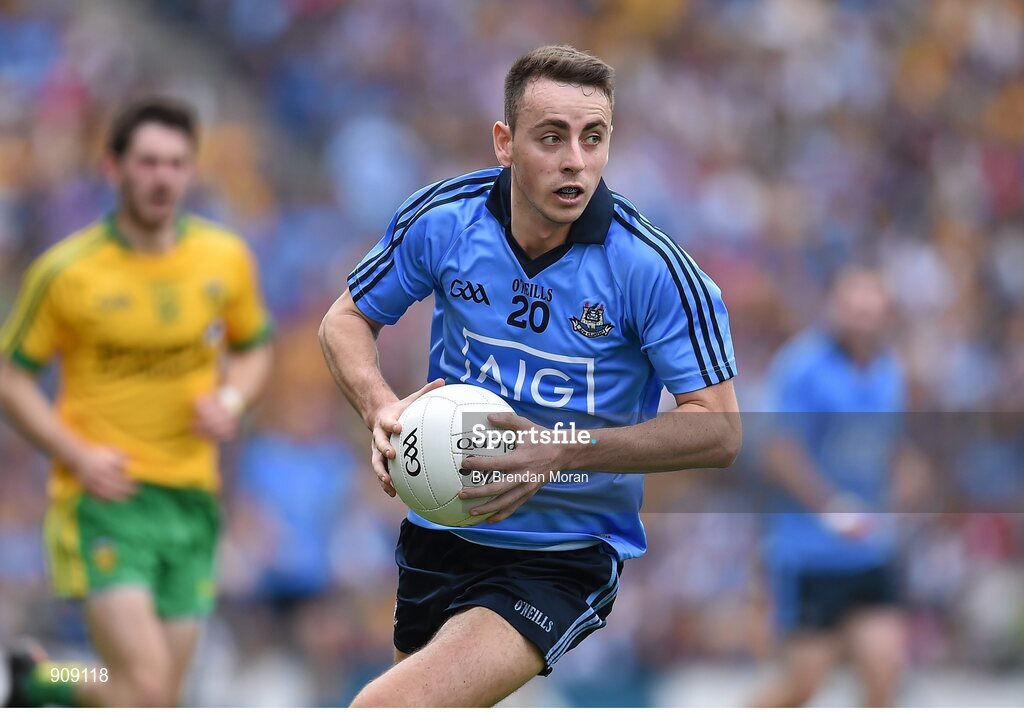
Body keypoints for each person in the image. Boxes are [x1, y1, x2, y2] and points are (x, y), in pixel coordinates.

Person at [319, 45, 741, 707]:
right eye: (552, 137)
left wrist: (563, 449)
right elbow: (344, 320)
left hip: (560, 554)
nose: (576, 159)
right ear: (505, 143)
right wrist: (379, 406)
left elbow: (719, 430)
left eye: (593, 138)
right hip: (439, 522)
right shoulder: (444, 220)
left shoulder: (651, 268)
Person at [0, 97, 274, 707]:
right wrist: (74, 453)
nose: (162, 178)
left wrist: (232, 399)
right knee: (146, 686)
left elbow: (256, 349)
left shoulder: (223, 260)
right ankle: (47, 679)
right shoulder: (67, 272)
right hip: (105, 499)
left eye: (176, 163)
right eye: (148, 162)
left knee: (152, 694)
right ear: (113, 168)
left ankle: (47, 679)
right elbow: (12, 377)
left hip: (191, 500)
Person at [750, 268, 908, 707]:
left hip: (869, 548)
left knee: (883, 674)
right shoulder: (802, 366)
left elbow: (885, 447)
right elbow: (777, 451)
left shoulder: (889, 370)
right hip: (811, 552)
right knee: (804, 685)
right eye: (853, 309)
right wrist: (830, 505)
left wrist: (905, 480)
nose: (862, 320)